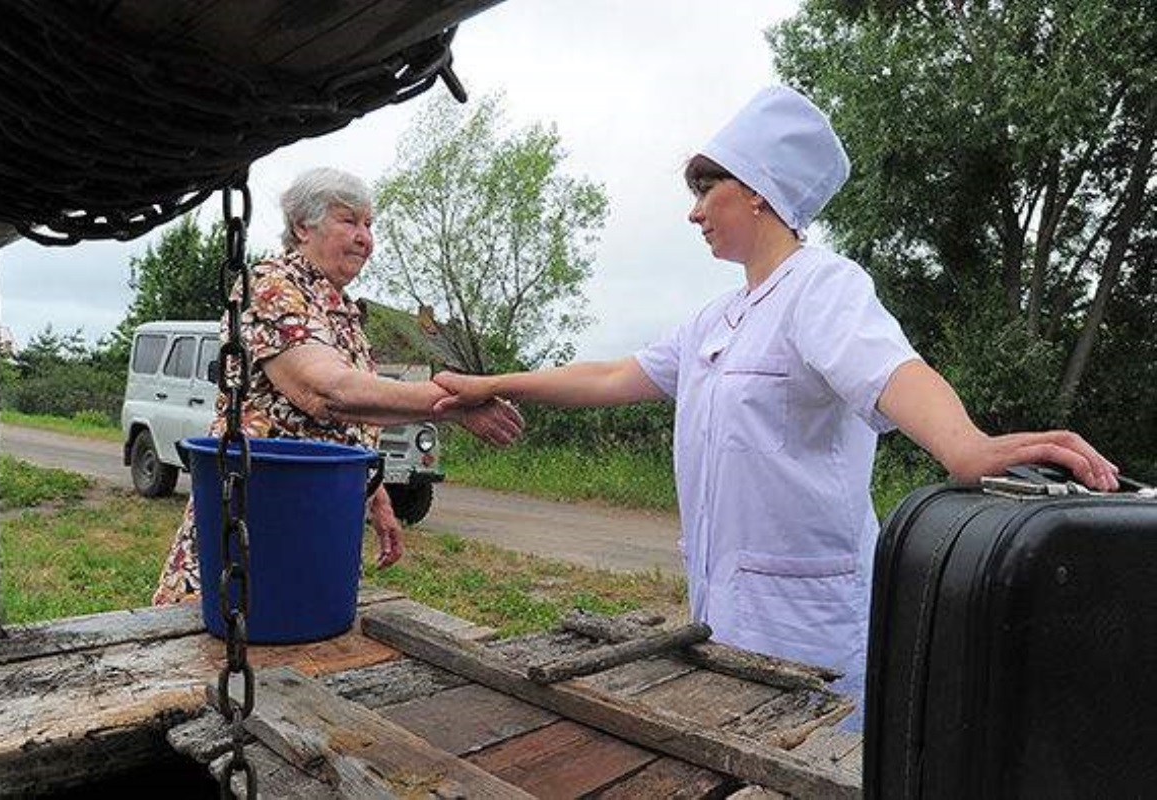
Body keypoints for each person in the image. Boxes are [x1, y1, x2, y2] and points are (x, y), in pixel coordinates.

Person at [430, 87, 1118, 727]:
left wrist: (966, 447)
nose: (694, 210)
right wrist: (498, 383)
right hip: (723, 611)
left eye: (707, 188)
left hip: (807, 624)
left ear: (757, 191)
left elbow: (893, 370)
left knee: (810, 768)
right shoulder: (715, 320)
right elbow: (613, 375)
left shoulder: (822, 287)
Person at [152, 167, 523, 605]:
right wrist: (454, 404)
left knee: (304, 643)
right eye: (350, 221)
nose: (365, 237)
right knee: (228, 645)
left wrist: (376, 494)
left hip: (311, 513)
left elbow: (342, 425)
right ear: (301, 227)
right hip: (257, 513)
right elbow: (328, 393)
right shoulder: (273, 287)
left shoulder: (339, 308)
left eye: (369, 224)